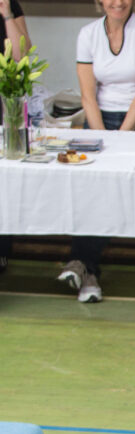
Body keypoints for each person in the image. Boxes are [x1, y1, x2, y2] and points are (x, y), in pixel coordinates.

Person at [59, 0, 135, 303]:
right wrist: (102, 138)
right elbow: (88, 97)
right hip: (100, 119)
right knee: (90, 185)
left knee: (109, 187)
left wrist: (118, 142)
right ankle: (87, 271)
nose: (118, 2)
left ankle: (83, 264)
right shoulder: (87, 35)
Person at [0, 0, 32, 274]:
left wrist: (7, 14)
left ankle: (2, 251)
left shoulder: (8, 4)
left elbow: (21, 54)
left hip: (4, 103)